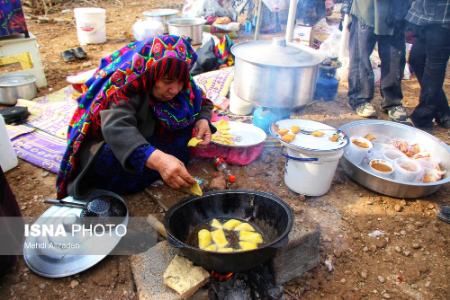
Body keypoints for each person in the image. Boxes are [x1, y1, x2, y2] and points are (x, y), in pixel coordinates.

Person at [56, 35, 215, 199]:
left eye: (180, 82)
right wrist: (157, 159)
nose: (174, 90)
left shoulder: (181, 84)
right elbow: (116, 127)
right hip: (126, 146)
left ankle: (157, 165)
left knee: (184, 131)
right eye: (167, 81)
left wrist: (203, 120)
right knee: (106, 158)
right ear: (151, 73)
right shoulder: (127, 88)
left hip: (151, 140)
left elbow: (202, 102)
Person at [343, 0, 411, 121]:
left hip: (396, 9)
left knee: (394, 57)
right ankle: (359, 99)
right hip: (367, 9)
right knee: (361, 56)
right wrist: (346, 6)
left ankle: (392, 102)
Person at [406, 0, 450, 131]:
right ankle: (443, 113)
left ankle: (422, 120)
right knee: (416, 60)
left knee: (434, 69)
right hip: (425, 18)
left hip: (444, 20)